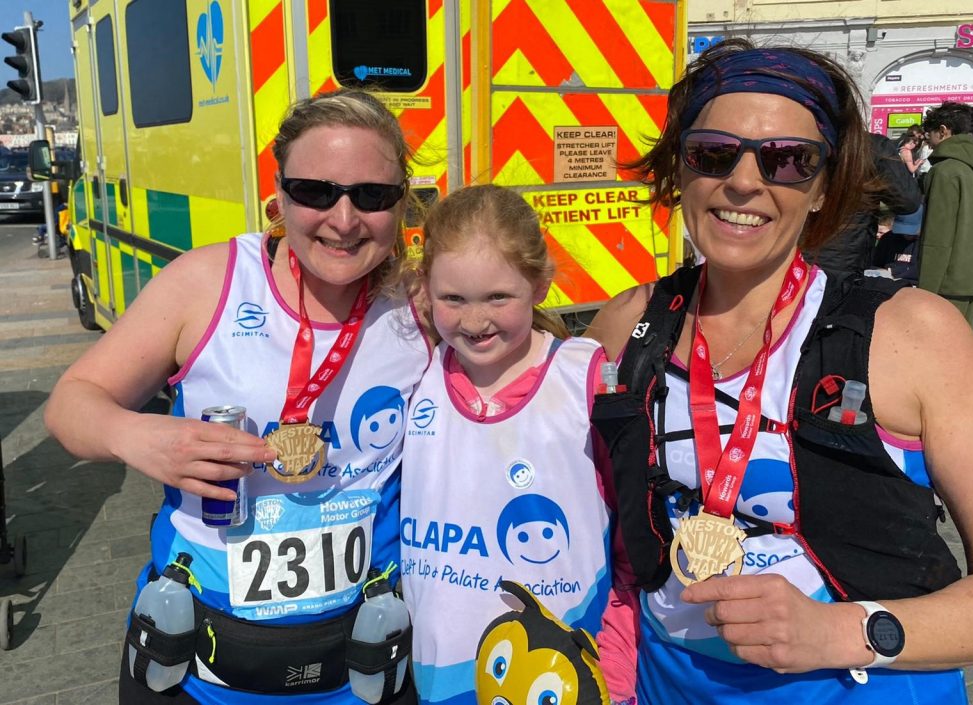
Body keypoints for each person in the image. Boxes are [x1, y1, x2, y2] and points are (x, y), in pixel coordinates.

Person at [585, 38, 973, 704]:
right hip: (664, 685)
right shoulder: (628, 322)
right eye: (713, 152)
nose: (744, 180)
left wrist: (842, 630)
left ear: (823, 189)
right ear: (682, 170)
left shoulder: (915, 335)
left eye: (789, 160)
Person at [43, 90, 431, 704]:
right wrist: (137, 436)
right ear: (278, 194)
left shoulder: (423, 304)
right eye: (315, 191)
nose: (345, 217)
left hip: (361, 660)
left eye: (373, 195)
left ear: (401, 201)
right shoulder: (207, 281)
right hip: (197, 661)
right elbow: (70, 403)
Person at [399, 184, 634, 705]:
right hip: (441, 683)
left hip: (561, 678)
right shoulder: (418, 372)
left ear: (540, 283)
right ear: (425, 289)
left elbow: (634, 546)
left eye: (498, 297)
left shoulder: (586, 380)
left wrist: (615, 672)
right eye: (452, 298)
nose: (475, 320)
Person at [918, 102, 973, 324]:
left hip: (948, 279)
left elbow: (937, 236)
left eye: (930, 134)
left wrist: (926, 289)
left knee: (937, 347)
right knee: (962, 343)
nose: (929, 142)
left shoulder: (945, 171)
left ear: (943, 131)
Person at [810, 131, 920, 275]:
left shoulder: (800, 139)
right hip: (843, 259)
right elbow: (907, 201)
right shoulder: (871, 146)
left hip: (804, 256)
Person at [872, 204, 923, 281]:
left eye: (911, 231)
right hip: (887, 282)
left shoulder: (927, 243)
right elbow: (875, 264)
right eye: (903, 230)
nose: (906, 234)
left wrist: (895, 272)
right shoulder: (888, 238)